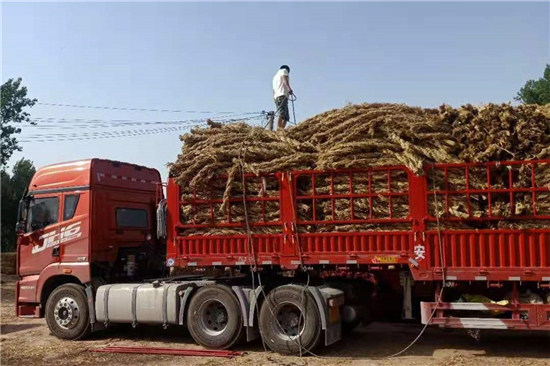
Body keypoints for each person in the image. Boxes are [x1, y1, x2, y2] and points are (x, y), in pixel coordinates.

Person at [272, 65, 293, 130]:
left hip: (277, 96)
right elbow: (284, 79)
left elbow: (273, 90)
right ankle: (279, 129)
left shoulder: (275, 77)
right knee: (281, 113)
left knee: (286, 116)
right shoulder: (284, 71)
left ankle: (281, 129)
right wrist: (289, 88)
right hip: (282, 95)